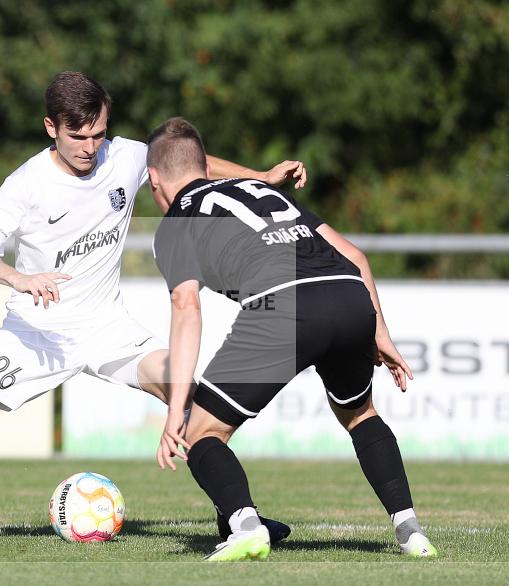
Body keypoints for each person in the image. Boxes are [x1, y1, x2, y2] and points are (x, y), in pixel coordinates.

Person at [0, 72, 307, 544]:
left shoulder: (125, 156)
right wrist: (19, 278)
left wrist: (260, 176)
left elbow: (190, 165)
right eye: (78, 136)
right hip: (36, 334)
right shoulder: (26, 184)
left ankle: (238, 517)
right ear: (51, 127)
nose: (90, 147)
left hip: (108, 329)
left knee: (192, 399)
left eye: (99, 133)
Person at [146, 117, 437, 561]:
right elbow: (355, 255)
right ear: (205, 166)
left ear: (154, 179)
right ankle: (410, 531)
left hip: (282, 306)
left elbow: (186, 306)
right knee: (360, 415)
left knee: (202, 432)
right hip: (348, 294)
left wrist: (175, 409)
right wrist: (380, 332)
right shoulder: (260, 192)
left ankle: (245, 526)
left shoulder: (175, 221)